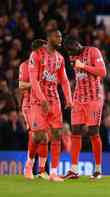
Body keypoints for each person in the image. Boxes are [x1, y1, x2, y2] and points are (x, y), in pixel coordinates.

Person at [27, 29, 72, 181]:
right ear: (49, 37)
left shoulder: (60, 58)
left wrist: (69, 99)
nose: (60, 38)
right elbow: (33, 80)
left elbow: (64, 80)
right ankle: (29, 163)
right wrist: (42, 99)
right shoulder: (36, 54)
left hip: (54, 101)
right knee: (39, 136)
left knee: (57, 135)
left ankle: (53, 172)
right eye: (57, 36)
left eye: (61, 36)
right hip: (38, 101)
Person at [62, 35, 106, 180]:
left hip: (94, 98)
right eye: (68, 53)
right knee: (75, 131)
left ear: (76, 44)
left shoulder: (93, 51)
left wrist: (83, 66)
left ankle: (98, 170)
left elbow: (102, 72)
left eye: (71, 51)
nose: (70, 55)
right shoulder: (72, 57)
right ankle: (74, 170)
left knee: (93, 132)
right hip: (78, 99)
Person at [21, 39, 49, 180]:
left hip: (43, 103)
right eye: (44, 49)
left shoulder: (47, 64)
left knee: (45, 137)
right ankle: (29, 167)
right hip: (29, 104)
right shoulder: (25, 65)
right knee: (35, 136)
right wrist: (35, 84)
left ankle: (42, 170)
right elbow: (21, 85)